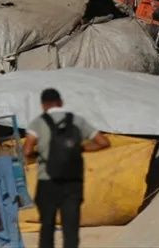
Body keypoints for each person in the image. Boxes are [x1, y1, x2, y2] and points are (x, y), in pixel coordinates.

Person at [23, 88, 110, 248]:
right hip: (73, 182)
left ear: (43, 105)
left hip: (47, 181)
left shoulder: (38, 122)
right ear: (61, 102)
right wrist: (81, 148)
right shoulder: (78, 121)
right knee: (71, 230)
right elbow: (103, 142)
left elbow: (27, 150)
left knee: (47, 227)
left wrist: (39, 155)